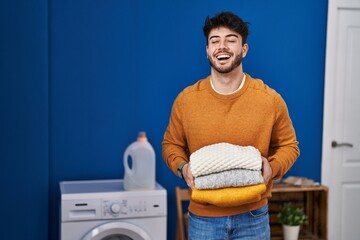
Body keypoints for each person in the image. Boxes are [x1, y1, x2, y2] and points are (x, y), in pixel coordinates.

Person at [162, 11, 300, 240]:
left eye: (231, 40)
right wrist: (182, 168)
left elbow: (290, 146)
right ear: (207, 50)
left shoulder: (269, 99)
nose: (222, 47)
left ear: (244, 49)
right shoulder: (186, 100)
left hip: (253, 217)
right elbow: (171, 144)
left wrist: (272, 168)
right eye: (214, 41)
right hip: (203, 218)